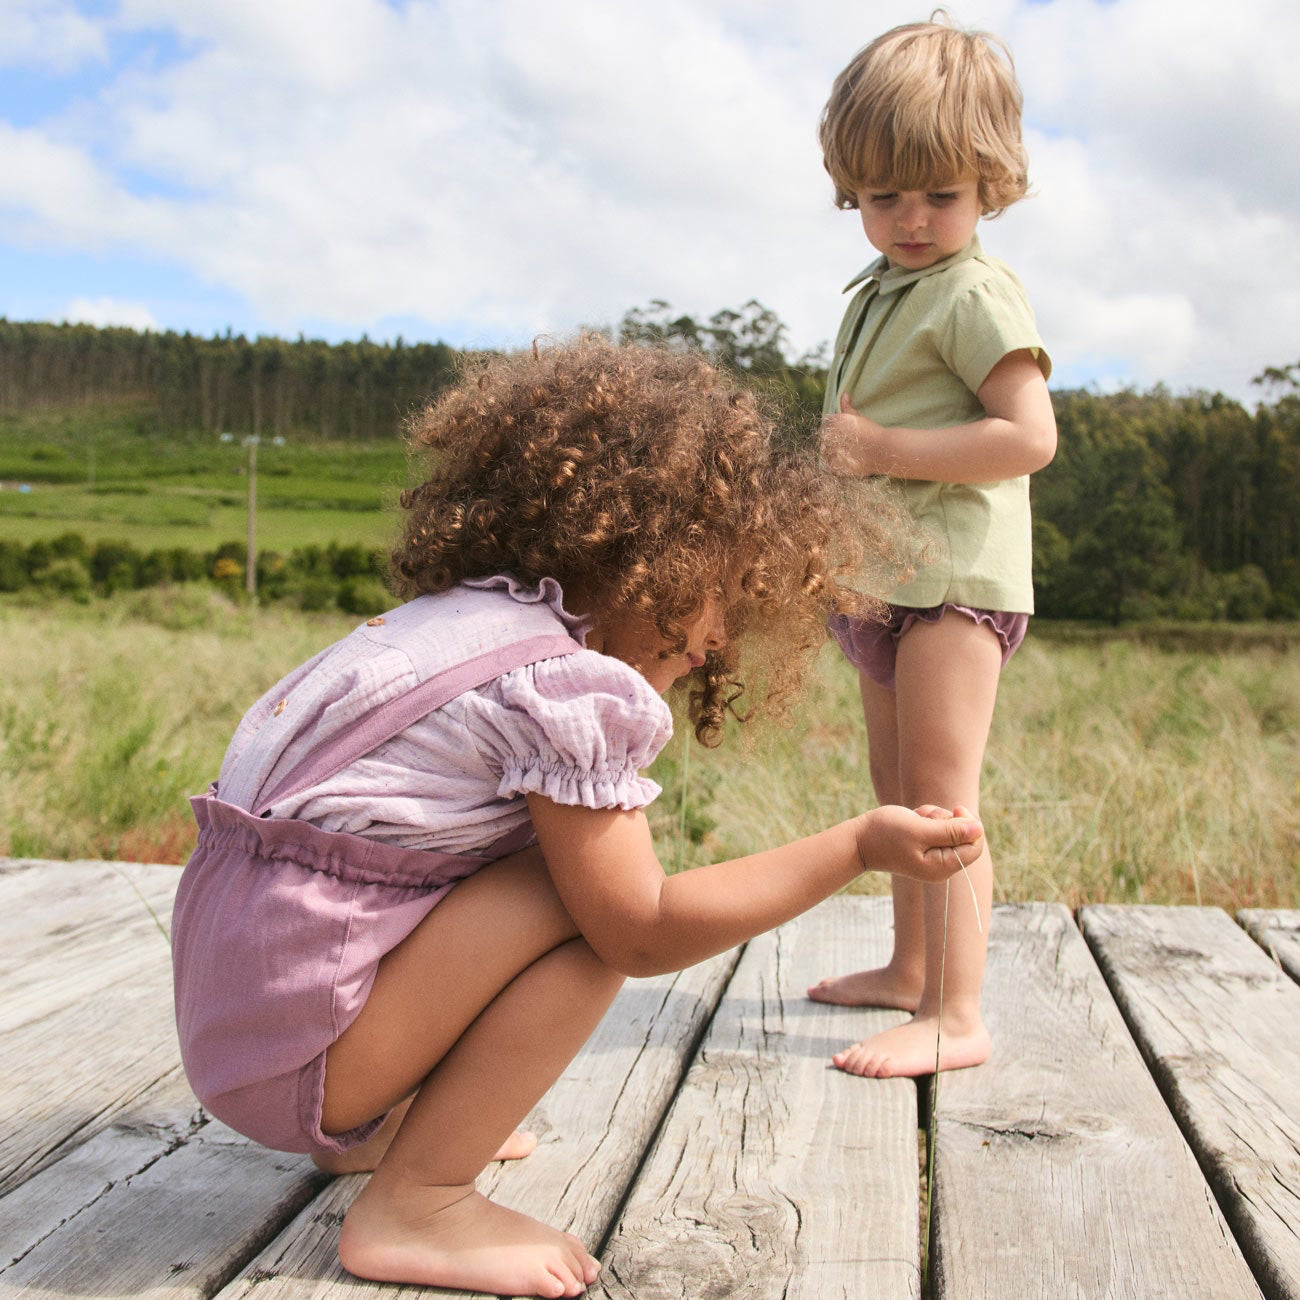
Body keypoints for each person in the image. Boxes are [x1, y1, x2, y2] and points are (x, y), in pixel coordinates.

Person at [171, 336, 985, 1300]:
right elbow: (642, 933)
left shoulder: (458, 622)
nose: (721, 636)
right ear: (650, 554)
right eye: (722, 594)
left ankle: (388, 1139)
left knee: (552, 880)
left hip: (244, 1028)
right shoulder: (560, 684)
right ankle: (420, 1199)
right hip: (311, 1048)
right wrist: (856, 843)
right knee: (590, 912)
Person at [806, 14, 1057, 1081]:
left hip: (952, 578)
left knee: (942, 798)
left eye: (938, 194)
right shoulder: (884, 287)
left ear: (988, 184)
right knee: (897, 786)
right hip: (886, 575)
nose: (910, 218)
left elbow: (1027, 436)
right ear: (850, 189)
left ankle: (957, 1014)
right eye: (882, 196)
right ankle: (914, 966)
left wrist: (879, 450)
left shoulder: (971, 291)